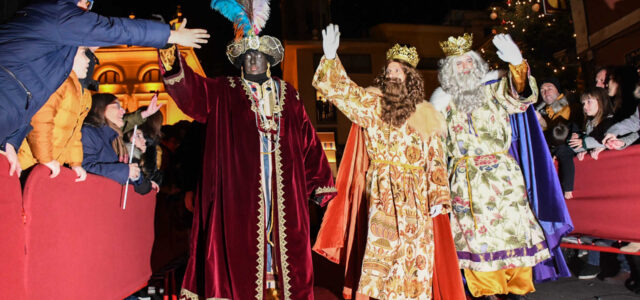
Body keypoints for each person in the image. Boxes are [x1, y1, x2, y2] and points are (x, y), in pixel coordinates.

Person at [158, 3, 336, 298]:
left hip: (283, 192)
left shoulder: (288, 94)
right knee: (241, 250)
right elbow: (190, 91)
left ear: (268, 59)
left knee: (285, 252)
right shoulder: (223, 90)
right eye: (247, 55)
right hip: (238, 192)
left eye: (259, 55)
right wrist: (169, 47)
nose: (253, 59)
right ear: (240, 61)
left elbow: (307, 138)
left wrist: (321, 184)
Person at [312, 24, 464, 299]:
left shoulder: (426, 114)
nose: (393, 75)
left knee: (417, 249)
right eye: (390, 71)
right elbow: (344, 93)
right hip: (382, 188)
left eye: (399, 71)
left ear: (410, 78)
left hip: (417, 194)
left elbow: (435, 159)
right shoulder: (373, 104)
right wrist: (331, 58)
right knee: (383, 247)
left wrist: (439, 198)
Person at [0, 0, 209, 177]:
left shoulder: (57, 45)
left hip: (12, 115)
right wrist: (169, 36)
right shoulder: (58, 13)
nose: (86, 11)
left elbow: (37, 100)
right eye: (85, 4)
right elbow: (113, 29)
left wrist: (11, 141)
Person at [430, 33, 551, 299]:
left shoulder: (493, 88)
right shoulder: (442, 103)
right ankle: (485, 292)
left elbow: (519, 97)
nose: (464, 68)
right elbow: (432, 144)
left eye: (468, 62)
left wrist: (518, 66)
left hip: (502, 176)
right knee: (476, 237)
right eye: (458, 64)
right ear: (450, 71)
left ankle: (515, 290)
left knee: (512, 232)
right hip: (465, 178)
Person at [17, 46, 92, 181]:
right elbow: (40, 119)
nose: (88, 60)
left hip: (49, 165)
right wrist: (45, 158)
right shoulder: (58, 80)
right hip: (28, 162)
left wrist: (75, 163)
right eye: (82, 54)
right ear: (66, 55)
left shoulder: (81, 93)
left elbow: (74, 133)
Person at [81, 93, 141, 186]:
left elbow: (126, 175)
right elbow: (84, 168)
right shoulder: (88, 132)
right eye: (117, 106)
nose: (123, 111)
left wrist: (138, 178)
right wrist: (125, 171)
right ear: (101, 108)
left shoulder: (115, 139)